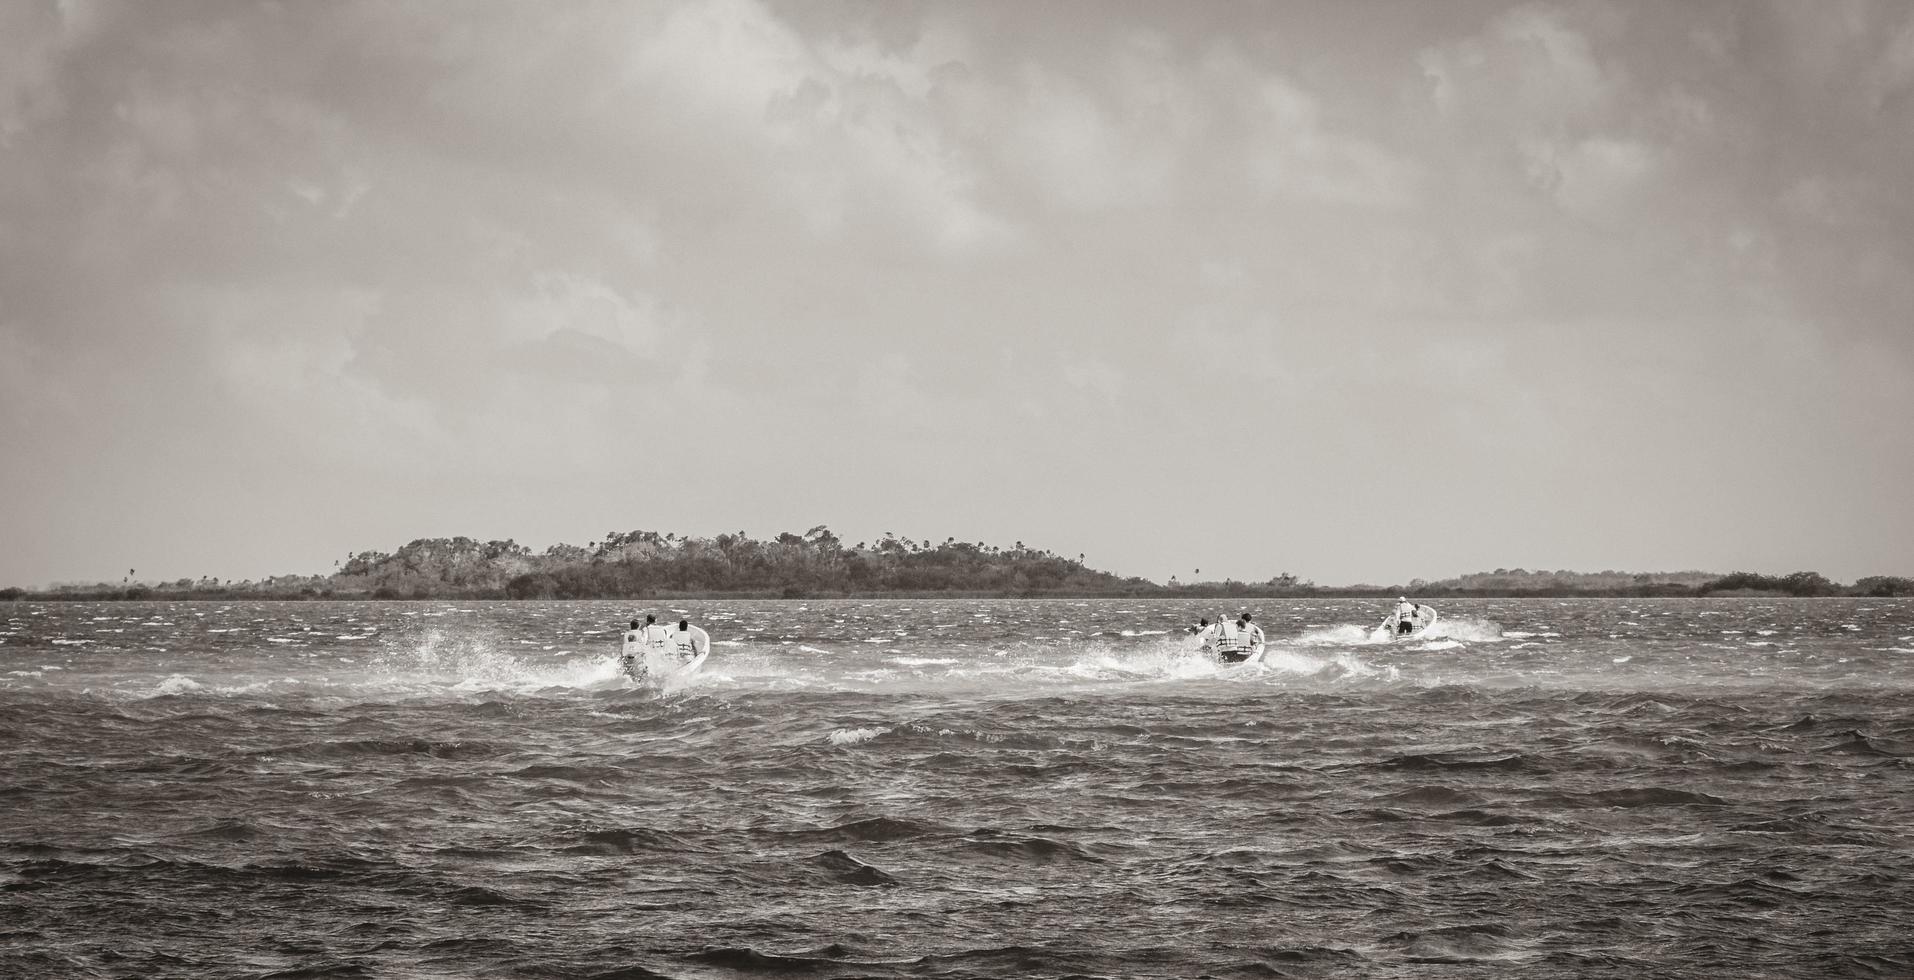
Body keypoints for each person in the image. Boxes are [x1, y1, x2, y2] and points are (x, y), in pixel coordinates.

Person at [622, 613, 673, 680]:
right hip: (660, 655)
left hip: (650, 656)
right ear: (655, 621)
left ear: (647, 621)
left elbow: (643, 642)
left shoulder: (646, 629)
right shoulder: (662, 630)